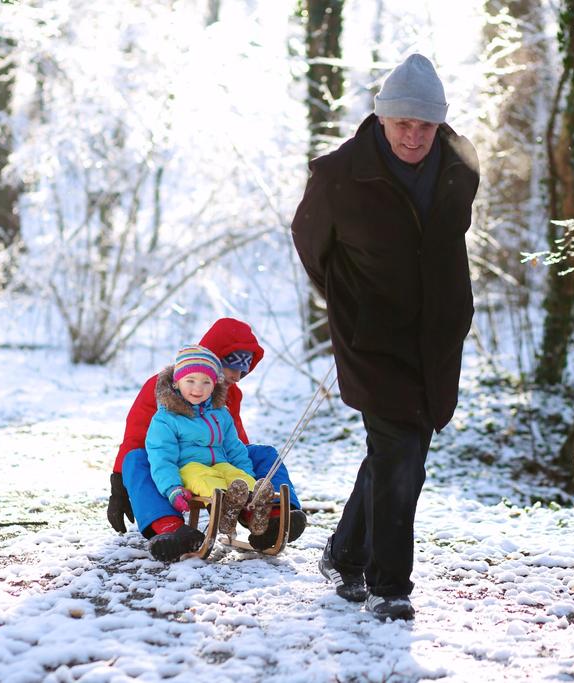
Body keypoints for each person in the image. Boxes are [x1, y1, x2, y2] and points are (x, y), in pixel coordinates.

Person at [290, 53, 479, 621]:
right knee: (402, 457)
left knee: (396, 451)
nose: (415, 135)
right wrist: (352, 303)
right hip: (372, 340)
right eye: (403, 123)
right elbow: (309, 244)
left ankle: (345, 555)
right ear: (381, 118)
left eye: (426, 124)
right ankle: (389, 584)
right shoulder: (338, 175)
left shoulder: (460, 165)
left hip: (436, 338)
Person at [107, 318, 307, 561]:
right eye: (231, 365)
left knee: (263, 453)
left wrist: (244, 473)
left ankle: (270, 517)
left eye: (244, 367)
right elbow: (138, 436)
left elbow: (235, 440)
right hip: (179, 462)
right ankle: (168, 528)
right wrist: (118, 482)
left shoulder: (228, 393)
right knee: (136, 460)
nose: (238, 375)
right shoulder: (161, 389)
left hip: (219, 460)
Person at [146, 345, 274, 538]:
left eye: (206, 382)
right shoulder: (166, 418)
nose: (198, 388)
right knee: (205, 479)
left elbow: (234, 448)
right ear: (176, 382)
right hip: (188, 467)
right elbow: (161, 457)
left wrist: (246, 473)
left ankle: (254, 510)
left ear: (215, 385)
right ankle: (224, 510)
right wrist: (173, 488)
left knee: (239, 479)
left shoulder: (221, 413)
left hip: (221, 464)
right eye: (190, 380)